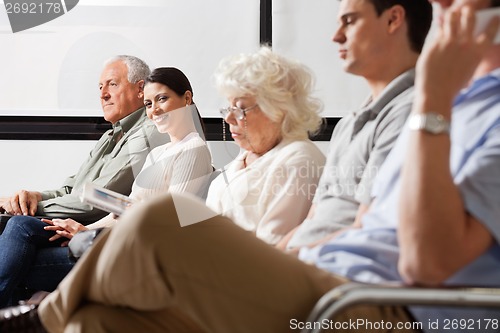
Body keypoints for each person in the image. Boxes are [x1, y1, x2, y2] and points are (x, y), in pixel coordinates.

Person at [7, 0, 497, 332]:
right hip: (310, 275)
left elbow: (414, 254)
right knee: (97, 320)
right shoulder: (372, 124)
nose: (233, 121)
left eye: (245, 108)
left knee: (157, 221)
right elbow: (362, 219)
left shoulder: (426, 114)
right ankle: (50, 315)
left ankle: (39, 316)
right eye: (230, 109)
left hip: (354, 299)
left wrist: (434, 99)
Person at [0, 67, 213, 307]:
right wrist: (84, 228)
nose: (154, 110)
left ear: (187, 98)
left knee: (22, 259)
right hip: (113, 237)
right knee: (21, 225)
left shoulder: (193, 150)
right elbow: (125, 211)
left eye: (162, 99)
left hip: (135, 252)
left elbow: (169, 223)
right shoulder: (159, 152)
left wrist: (94, 233)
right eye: (148, 104)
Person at [278, 0, 433, 250]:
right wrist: (273, 257)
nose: (336, 36)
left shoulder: (412, 112)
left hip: (333, 273)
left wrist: (285, 261)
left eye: (349, 21)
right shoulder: (348, 123)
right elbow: (312, 220)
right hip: (301, 264)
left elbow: (368, 229)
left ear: (393, 19)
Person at [0, 55, 168, 224]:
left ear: (140, 89)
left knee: (19, 225)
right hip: (82, 228)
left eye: (112, 84)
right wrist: (34, 197)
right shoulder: (109, 137)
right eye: (101, 87)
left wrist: (30, 208)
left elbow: (97, 201)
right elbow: (72, 189)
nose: (103, 95)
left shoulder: (149, 132)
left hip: (104, 233)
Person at [205, 46, 326, 245]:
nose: (228, 117)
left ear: (278, 110)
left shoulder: (299, 160)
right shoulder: (245, 156)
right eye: (229, 106)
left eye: (241, 108)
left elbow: (272, 248)